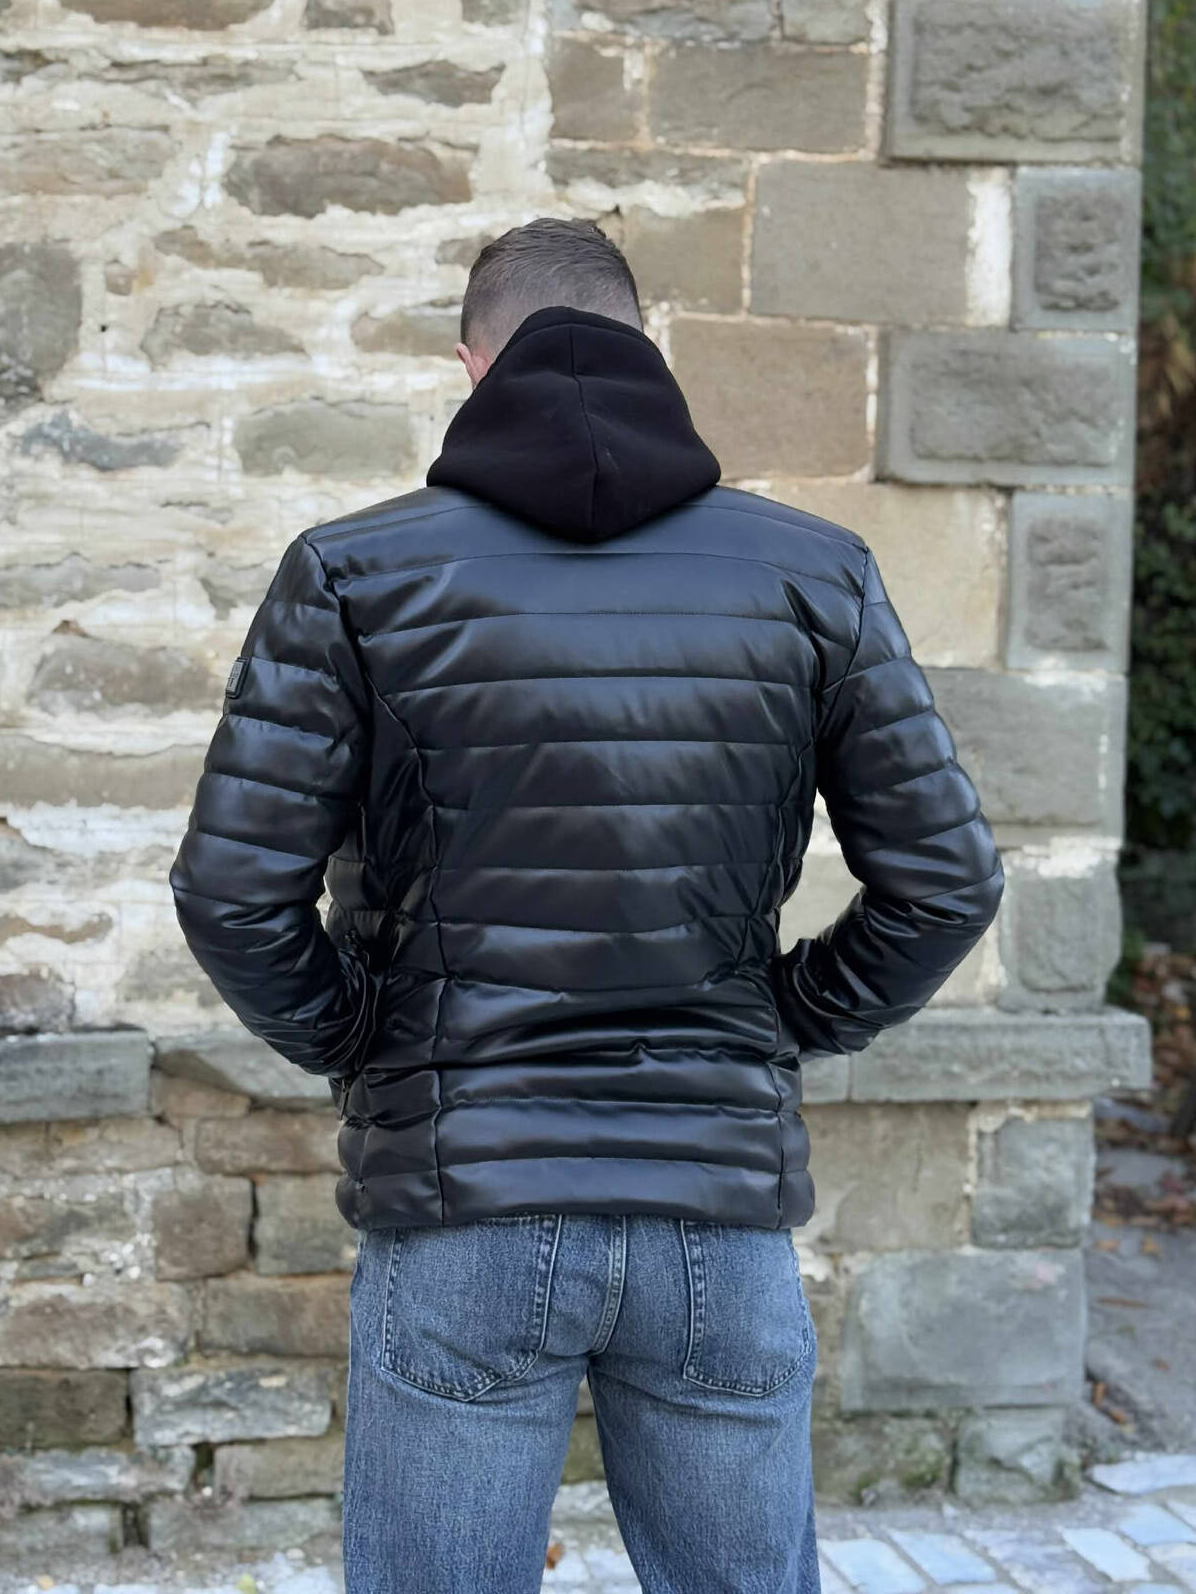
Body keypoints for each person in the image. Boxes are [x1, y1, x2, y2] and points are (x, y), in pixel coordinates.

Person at [169, 217, 1004, 1594]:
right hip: (715, 1204)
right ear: (645, 345)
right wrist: (782, 1020)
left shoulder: (353, 573)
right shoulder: (815, 573)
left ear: (471, 364)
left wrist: (365, 1042)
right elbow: (948, 880)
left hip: (465, 1200)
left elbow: (229, 891)